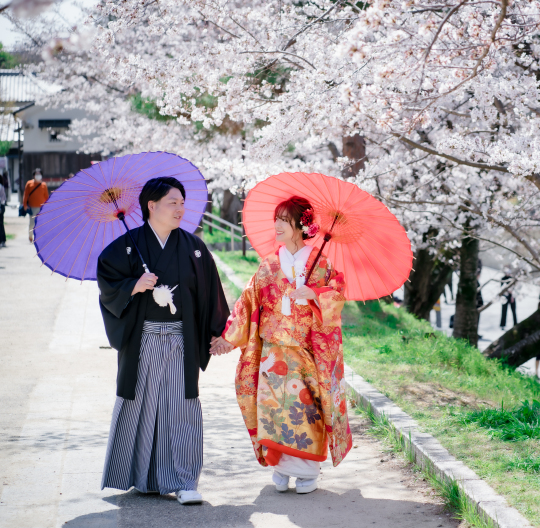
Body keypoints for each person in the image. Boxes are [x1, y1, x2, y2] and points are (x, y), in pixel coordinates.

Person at [97, 177, 229, 504]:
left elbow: (211, 291)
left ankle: (185, 481)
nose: (180, 209)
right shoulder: (130, 245)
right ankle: (144, 478)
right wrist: (134, 284)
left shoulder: (194, 247)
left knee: (180, 407)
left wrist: (219, 333)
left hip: (180, 341)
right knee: (140, 406)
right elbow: (107, 278)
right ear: (151, 206)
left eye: (182, 203)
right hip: (143, 340)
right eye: (173, 202)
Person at [211, 196, 352, 495]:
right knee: (274, 408)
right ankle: (281, 467)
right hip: (273, 350)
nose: (276, 225)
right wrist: (228, 337)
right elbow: (248, 300)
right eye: (276, 219)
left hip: (305, 351)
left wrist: (315, 294)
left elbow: (338, 294)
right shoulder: (269, 264)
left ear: (302, 225)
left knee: (304, 408)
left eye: (284, 220)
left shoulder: (321, 264)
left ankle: (306, 471)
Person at [22, 168, 49, 243]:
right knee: (32, 223)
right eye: (36, 174)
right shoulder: (29, 183)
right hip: (32, 207)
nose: (38, 176)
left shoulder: (44, 185)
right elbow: (25, 195)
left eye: (39, 174)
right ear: (33, 175)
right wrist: (24, 205)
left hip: (41, 208)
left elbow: (46, 197)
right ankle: (30, 236)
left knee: (41, 223)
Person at [0, 170, 7, 248]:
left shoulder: (0, 187)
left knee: (1, 224)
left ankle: (2, 240)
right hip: (2, 206)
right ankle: (3, 240)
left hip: (0, 207)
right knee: (1, 224)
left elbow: (2, 199)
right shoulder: (1, 186)